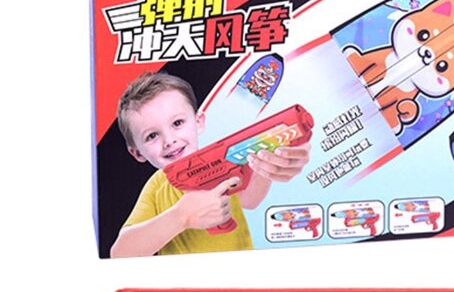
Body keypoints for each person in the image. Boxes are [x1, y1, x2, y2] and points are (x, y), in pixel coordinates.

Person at [110, 73, 310, 256]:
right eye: (152, 135)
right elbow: (120, 253)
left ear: (198, 122)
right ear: (137, 153)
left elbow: (250, 200)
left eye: (177, 123)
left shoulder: (221, 160)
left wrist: (266, 165)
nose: (169, 140)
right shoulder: (158, 186)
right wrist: (181, 217)